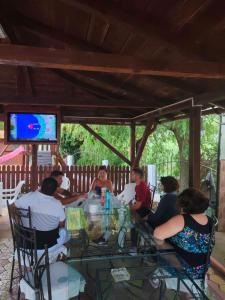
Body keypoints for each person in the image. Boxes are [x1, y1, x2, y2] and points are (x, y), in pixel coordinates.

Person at [154, 188, 214, 280]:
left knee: (154, 252)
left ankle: (154, 282)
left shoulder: (182, 219)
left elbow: (157, 234)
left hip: (184, 269)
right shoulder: (210, 220)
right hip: (202, 268)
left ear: (183, 204)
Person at [15, 177, 69, 253]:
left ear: (41, 186)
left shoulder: (28, 196)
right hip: (47, 247)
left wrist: (17, 218)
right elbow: (61, 224)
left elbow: (12, 206)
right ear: (55, 191)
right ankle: (60, 258)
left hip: (25, 244)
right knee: (65, 232)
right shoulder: (57, 204)